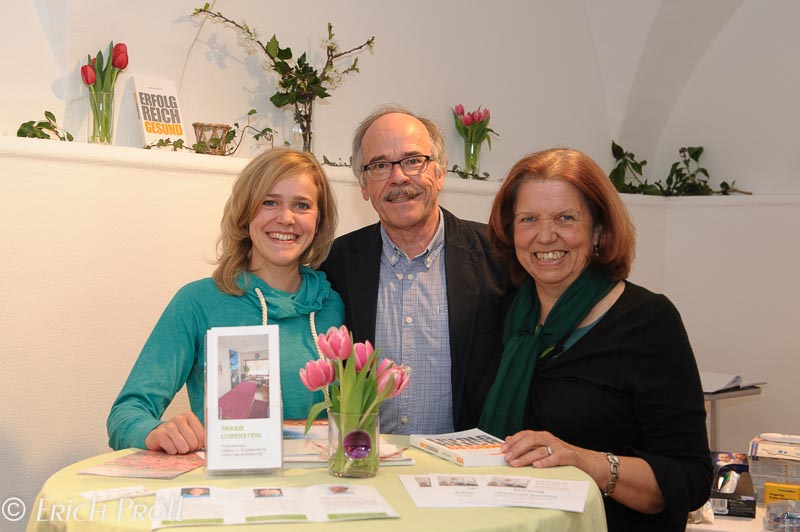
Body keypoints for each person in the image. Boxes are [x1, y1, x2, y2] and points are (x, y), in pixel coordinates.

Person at [478, 148, 712, 531]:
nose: (545, 235)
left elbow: (689, 477)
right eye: (528, 219)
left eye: (566, 218)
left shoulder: (649, 321)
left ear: (599, 230)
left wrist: (584, 461)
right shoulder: (503, 315)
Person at [107, 148, 344, 454]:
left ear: (319, 220)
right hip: (232, 480)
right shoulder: (197, 302)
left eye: (302, 205)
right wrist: (156, 432)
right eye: (269, 202)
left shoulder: (334, 304)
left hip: (320, 480)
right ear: (245, 213)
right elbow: (125, 415)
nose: (286, 218)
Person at [320, 105, 509, 434]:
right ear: (364, 186)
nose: (399, 177)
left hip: (466, 459)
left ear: (440, 173)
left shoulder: (498, 257)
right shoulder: (336, 263)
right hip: (371, 458)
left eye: (413, 160)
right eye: (380, 165)